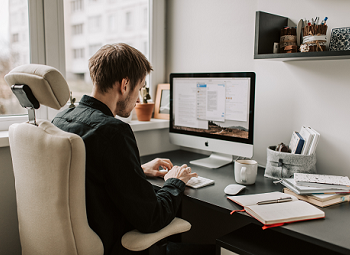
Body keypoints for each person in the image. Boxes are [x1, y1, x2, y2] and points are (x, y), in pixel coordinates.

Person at [52, 43, 198, 254]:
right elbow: (151, 218)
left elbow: (88, 173)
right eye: (139, 88)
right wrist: (175, 181)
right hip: (110, 242)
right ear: (125, 84)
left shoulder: (63, 118)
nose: (139, 98)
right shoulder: (113, 132)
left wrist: (137, 169)